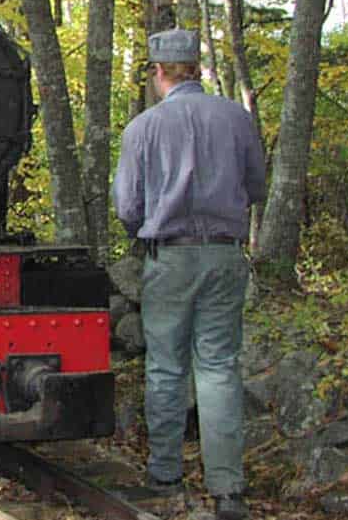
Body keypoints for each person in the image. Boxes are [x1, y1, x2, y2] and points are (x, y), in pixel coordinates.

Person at [112, 29, 266, 520]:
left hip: (170, 257)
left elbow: (127, 206)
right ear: (196, 68)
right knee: (219, 366)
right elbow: (256, 184)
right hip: (224, 255)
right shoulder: (236, 118)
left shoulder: (143, 128)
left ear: (159, 73)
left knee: (165, 366)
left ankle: (164, 470)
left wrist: (150, 231)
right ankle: (227, 490)